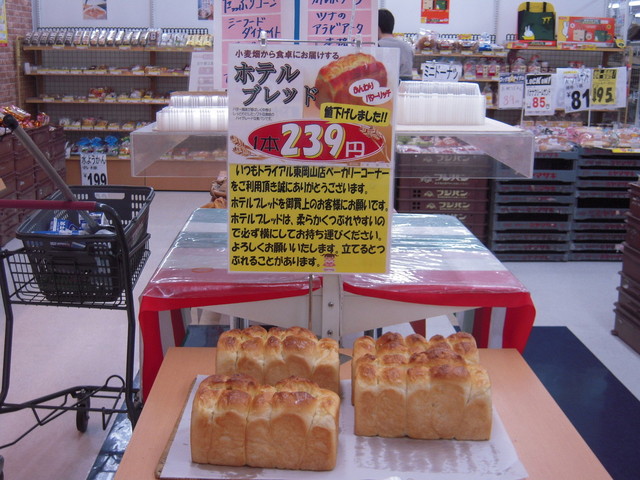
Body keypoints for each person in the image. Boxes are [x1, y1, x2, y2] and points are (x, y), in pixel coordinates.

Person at [378, 8, 414, 81]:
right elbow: (407, 75)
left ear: (377, 27)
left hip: (383, 89)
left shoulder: (375, 47)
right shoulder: (406, 47)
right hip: (404, 88)